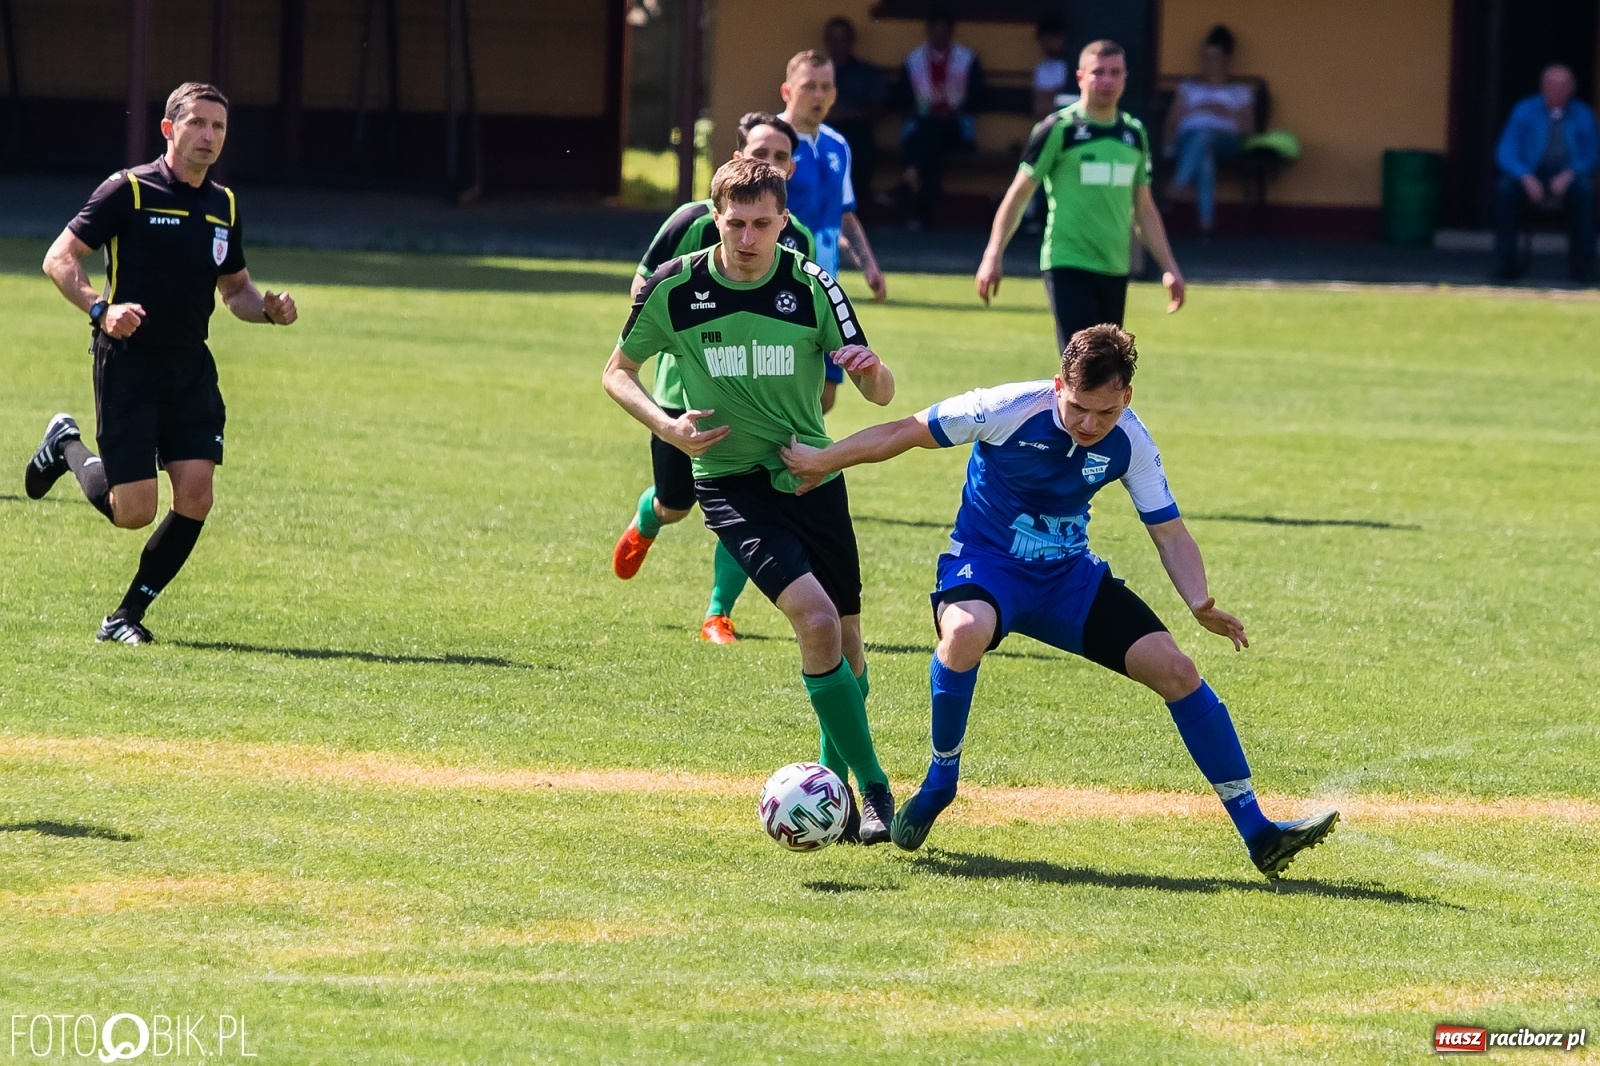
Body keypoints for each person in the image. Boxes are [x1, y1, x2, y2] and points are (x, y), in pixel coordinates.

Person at [780, 324, 1339, 878]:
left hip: (1069, 580)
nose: (1091, 425)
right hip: (986, 567)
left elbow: (1168, 531)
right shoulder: (1007, 407)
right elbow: (904, 431)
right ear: (1057, 386)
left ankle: (1258, 833)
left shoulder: (1131, 440)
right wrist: (823, 460)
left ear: (1127, 398)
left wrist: (1198, 603)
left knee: (1178, 671)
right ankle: (940, 780)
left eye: (1106, 412)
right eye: (1078, 409)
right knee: (964, 632)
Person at [603, 157, 899, 842]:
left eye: (762, 223)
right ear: (714, 218)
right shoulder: (678, 289)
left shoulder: (813, 285)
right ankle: (877, 786)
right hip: (732, 487)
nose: (747, 236)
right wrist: (667, 426)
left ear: (783, 222)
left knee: (849, 649)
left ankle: (842, 797)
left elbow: (880, 393)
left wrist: (871, 370)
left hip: (814, 477)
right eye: (735, 222)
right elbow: (616, 372)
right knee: (819, 622)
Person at [25, 82, 298, 645]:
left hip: (189, 368)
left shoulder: (223, 205)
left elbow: (236, 290)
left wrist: (267, 310)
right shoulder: (127, 191)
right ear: (170, 130)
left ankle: (123, 617)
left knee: (196, 496)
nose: (209, 136)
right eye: (198, 123)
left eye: (219, 127)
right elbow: (59, 258)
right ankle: (65, 444)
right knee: (133, 512)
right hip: (129, 364)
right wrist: (103, 309)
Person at [612, 112, 817, 645]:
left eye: (777, 157)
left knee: (749, 501)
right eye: (756, 153)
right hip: (683, 398)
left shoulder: (799, 239)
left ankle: (717, 612)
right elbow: (643, 286)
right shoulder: (692, 221)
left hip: (764, 402)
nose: (765, 163)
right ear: (734, 159)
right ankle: (649, 518)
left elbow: (810, 320)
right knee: (677, 503)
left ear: (789, 169)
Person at [976, 40, 1185, 355]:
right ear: (1080, 77)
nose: (1106, 81)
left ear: (1125, 78)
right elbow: (1018, 195)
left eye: (1115, 73)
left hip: (1115, 267)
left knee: (1110, 374)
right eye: (1098, 72)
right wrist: (993, 254)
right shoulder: (1058, 129)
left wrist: (1169, 266)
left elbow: (1143, 208)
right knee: (1082, 369)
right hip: (1067, 262)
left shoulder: (1134, 134)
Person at [780, 49, 888, 415]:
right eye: (809, 86)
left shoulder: (837, 145)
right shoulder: (772, 142)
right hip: (781, 280)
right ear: (787, 91)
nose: (818, 95)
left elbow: (845, 214)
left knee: (825, 394)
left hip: (826, 284)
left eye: (826, 87)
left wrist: (869, 264)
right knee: (785, 383)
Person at [1493, 63, 1597, 283]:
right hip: (1532, 172)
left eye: (1562, 85)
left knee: (1586, 190)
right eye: (1551, 85)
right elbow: (1506, 150)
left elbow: (1592, 152)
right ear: (1542, 87)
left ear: (1572, 89)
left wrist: (1571, 173)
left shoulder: (1583, 114)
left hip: (1568, 174)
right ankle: (1505, 264)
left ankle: (1583, 267)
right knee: (1505, 189)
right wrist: (1525, 176)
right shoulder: (1524, 110)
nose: (1556, 90)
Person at [892, 8, 985, 229]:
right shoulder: (913, 60)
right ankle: (927, 213)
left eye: (945, 31)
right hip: (921, 129)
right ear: (928, 32)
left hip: (956, 130)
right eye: (936, 31)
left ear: (952, 32)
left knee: (928, 140)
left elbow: (977, 98)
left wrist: (951, 111)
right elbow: (902, 98)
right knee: (929, 144)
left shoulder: (967, 59)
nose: (940, 36)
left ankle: (909, 183)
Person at [1163, 25, 1255, 238]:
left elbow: (1248, 129)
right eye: (1206, 57)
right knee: (1204, 157)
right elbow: (1171, 122)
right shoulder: (1188, 88)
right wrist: (1168, 145)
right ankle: (1206, 226)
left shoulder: (1239, 91)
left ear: (1227, 59)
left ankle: (1175, 190)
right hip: (1188, 140)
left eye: (1215, 58)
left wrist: (1223, 112)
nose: (1209, 64)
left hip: (1226, 141)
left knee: (1205, 137)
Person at [822, 17, 887, 211]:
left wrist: (849, 114)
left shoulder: (866, 73)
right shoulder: (817, 73)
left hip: (856, 130)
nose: (836, 44)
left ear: (851, 41)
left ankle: (854, 212)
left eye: (841, 39)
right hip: (822, 128)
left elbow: (878, 106)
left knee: (861, 150)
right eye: (832, 39)